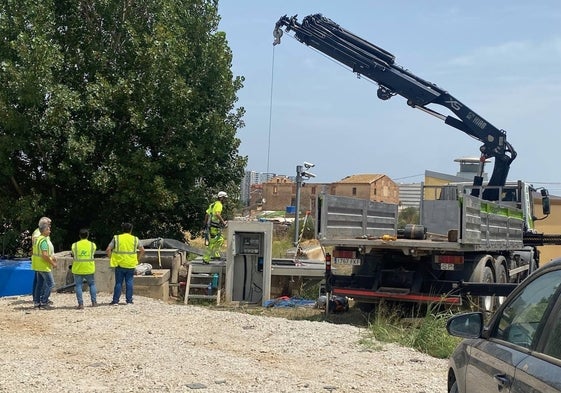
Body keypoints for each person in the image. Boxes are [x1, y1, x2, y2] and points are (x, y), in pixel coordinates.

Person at [106, 222, 145, 305]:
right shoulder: (135, 239)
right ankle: (129, 301)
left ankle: (115, 301)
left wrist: (111, 258)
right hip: (130, 264)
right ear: (131, 230)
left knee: (118, 282)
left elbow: (108, 249)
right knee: (129, 282)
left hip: (119, 263)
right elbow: (142, 250)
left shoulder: (117, 238)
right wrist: (137, 259)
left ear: (122, 229)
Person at [31, 220, 56, 309]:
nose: (50, 231)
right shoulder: (43, 241)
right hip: (43, 266)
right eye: (48, 229)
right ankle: (44, 302)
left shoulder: (38, 239)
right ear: (44, 231)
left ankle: (37, 302)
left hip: (37, 265)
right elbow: (44, 255)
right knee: (51, 284)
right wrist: (53, 263)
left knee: (39, 284)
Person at [71, 229, 98, 309]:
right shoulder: (92, 245)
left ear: (79, 235)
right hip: (89, 268)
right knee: (92, 284)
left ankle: (81, 304)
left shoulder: (74, 245)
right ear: (88, 235)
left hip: (78, 268)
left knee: (78, 286)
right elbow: (93, 253)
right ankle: (94, 302)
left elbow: (73, 254)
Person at [203, 191, 228, 263]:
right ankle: (206, 258)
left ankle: (215, 254)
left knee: (220, 239)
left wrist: (205, 224)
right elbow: (217, 214)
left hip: (212, 226)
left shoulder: (212, 204)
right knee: (213, 242)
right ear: (221, 198)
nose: (225, 200)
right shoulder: (219, 204)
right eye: (225, 198)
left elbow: (207, 214)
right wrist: (223, 222)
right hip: (214, 227)